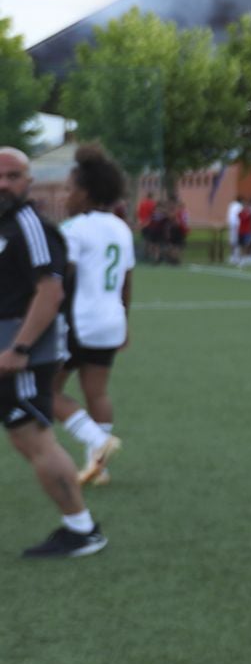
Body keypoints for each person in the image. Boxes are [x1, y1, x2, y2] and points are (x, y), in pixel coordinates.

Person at [1, 146, 106, 558]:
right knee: (24, 438)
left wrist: (20, 347)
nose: (4, 183)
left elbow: (50, 290)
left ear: (28, 182)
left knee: (34, 439)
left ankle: (82, 530)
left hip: (21, 354)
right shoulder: (4, 226)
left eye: (13, 176)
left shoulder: (31, 227)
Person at [53, 145, 134, 486]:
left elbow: (62, 279)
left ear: (84, 194)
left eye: (69, 189)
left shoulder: (74, 229)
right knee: (97, 393)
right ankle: (97, 467)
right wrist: (124, 322)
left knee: (43, 391)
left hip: (78, 322)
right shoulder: (121, 228)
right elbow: (126, 283)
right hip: (111, 321)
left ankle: (97, 442)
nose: (65, 195)